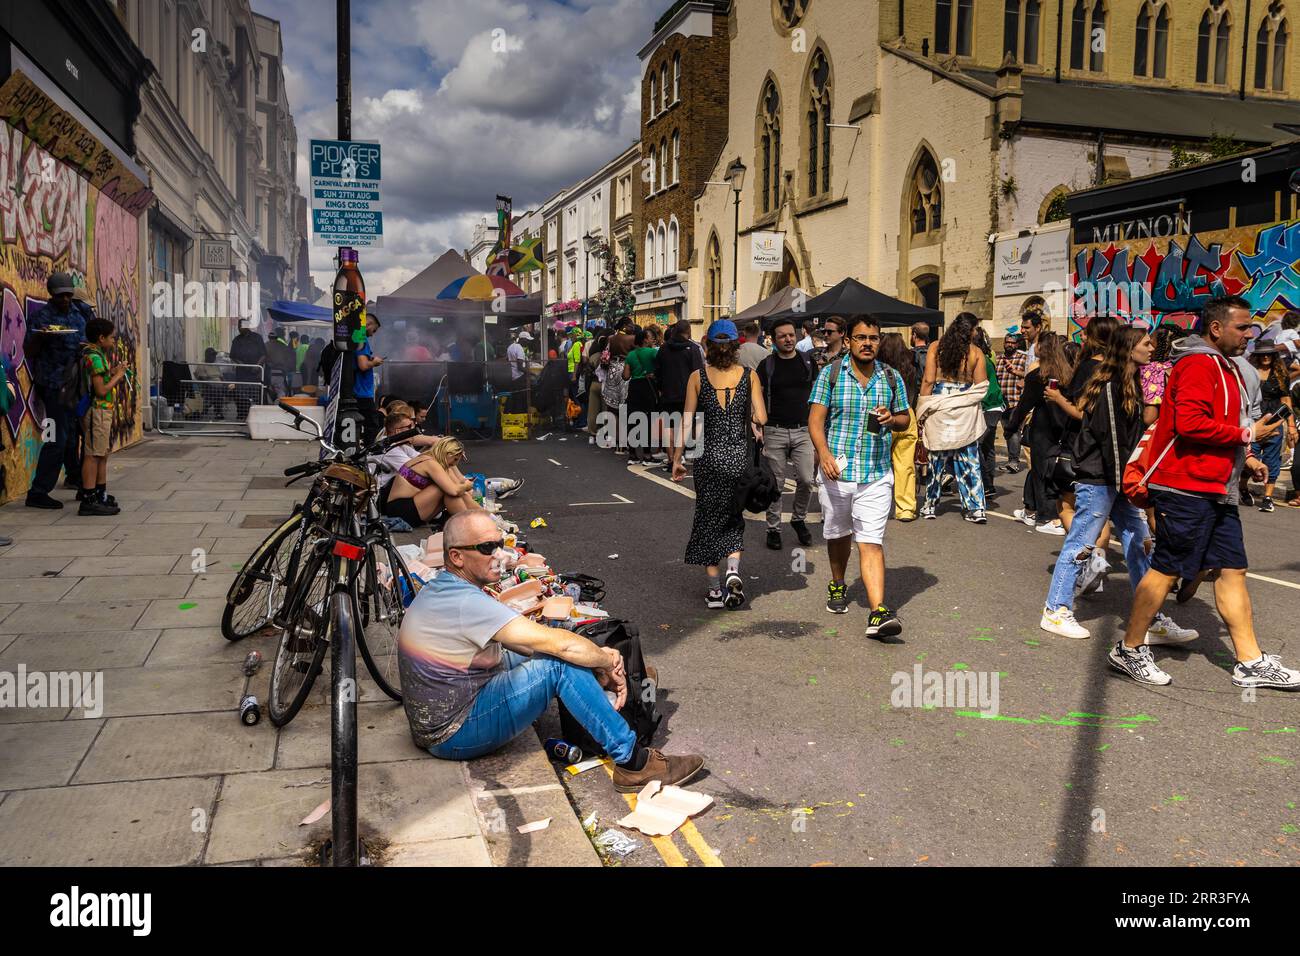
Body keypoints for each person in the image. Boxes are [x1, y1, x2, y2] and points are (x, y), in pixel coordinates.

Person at [399, 510, 705, 791]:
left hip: (446, 712)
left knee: (560, 651)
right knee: (560, 663)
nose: (499, 555)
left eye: (499, 543)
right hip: (455, 732)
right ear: (457, 556)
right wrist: (606, 660)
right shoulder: (467, 602)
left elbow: (523, 642)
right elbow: (557, 646)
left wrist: (590, 659)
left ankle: (610, 687)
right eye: (486, 548)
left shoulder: (445, 588)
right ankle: (633, 764)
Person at [1112, 296, 1296, 688]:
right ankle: (1129, 649)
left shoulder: (1226, 366)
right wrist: (1248, 435)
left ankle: (1250, 661)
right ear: (1216, 328)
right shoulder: (1198, 364)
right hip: (1185, 487)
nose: (1251, 334)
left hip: (1216, 487)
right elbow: (1191, 424)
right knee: (1166, 568)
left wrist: (1245, 456)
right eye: (1243, 327)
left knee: (1232, 569)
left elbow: (1219, 423)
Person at [1038, 326, 1193, 643]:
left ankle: (1150, 619)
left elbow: (1131, 436)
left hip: (1118, 478)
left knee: (1138, 543)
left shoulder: (1131, 382)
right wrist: (1134, 486)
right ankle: (1055, 610)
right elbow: (1112, 440)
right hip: (1101, 478)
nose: (1152, 348)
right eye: (1146, 344)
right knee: (1081, 542)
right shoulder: (1111, 386)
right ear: (1128, 348)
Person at [808, 315, 911, 635]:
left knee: (870, 541)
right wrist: (824, 455)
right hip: (837, 472)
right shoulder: (831, 374)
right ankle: (838, 583)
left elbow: (906, 418)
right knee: (838, 535)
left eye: (874, 338)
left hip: (876, 474)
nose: (868, 343)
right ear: (849, 341)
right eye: (861, 337)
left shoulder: (891, 377)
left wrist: (891, 419)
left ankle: (878, 611)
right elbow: (815, 421)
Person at [671, 319, 767, 610]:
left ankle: (714, 592)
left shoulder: (697, 377)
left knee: (707, 519)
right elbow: (761, 418)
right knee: (733, 517)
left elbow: (687, 421)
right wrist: (750, 414)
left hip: (707, 458)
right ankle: (734, 572)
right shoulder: (749, 376)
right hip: (739, 457)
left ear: (708, 346)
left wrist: (677, 458)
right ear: (736, 346)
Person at [24, 272, 88, 509]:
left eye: (69, 295)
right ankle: (39, 491)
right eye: (61, 296)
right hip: (53, 385)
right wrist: (41, 337)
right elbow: (29, 351)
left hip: (75, 384)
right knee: (57, 439)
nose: (66, 300)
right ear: (52, 294)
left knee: (76, 437)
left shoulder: (77, 316)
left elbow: (83, 343)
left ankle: (83, 483)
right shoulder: (41, 317)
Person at [918, 313, 988, 522]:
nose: (977, 332)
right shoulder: (976, 353)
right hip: (964, 408)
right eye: (976, 328)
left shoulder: (935, 348)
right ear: (970, 330)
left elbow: (929, 380)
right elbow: (981, 387)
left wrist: (922, 408)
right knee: (968, 458)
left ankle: (930, 505)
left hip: (939, 405)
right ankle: (975, 508)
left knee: (936, 458)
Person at [757, 317, 816, 550]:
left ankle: (798, 519)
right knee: (776, 484)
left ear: (798, 335)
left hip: (803, 430)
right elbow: (758, 396)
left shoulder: (808, 362)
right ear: (774, 339)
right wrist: (757, 423)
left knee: (806, 479)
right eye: (782, 336)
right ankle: (773, 528)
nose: (788, 339)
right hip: (775, 430)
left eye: (791, 334)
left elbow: (817, 394)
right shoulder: (767, 365)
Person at [1007, 332, 1072, 532]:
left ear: (1042, 348)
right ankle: (1044, 511)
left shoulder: (1038, 376)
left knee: (1041, 472)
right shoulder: (1068, 373)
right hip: (1065, 428)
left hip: (1043, 429)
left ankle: (1047, 516)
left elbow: (1024, 405)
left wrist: (1011, 428)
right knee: (1054, 471)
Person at [77, 317, 127, 517]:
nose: (114, 341)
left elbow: (101, 378)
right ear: (101, 338)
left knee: (101, 453)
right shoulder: (94, 357)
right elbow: (100, 389)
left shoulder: (96, 354)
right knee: (93, 454)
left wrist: (113, 371)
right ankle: (89, 498)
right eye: (112, 338)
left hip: (103, 411)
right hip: (97, 410)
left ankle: (100, 493)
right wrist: (119, 376)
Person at [382, 435, 482, 528]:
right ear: (447, 453)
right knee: (447, 491)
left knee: (452, 490)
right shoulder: (431, 463)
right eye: (455, 459)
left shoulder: (430, 458)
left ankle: (485, 519)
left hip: (407, 508)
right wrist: (466, 486)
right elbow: (454, 490)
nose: (454, 464)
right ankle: (470, 526)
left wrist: (464, 489)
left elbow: (459, 488)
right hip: (400, 510)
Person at [1244, 341, 1295, 512]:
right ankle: (1243, 488)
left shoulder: (1280, 374)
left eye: (1269, 353)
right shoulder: (1249, 372)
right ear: (1256, 355)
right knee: (1250, 456)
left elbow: (1286, 400)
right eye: (1262, 353)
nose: (1266, 356)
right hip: (1253, 422)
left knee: (1272, 460)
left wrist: (1292, 426)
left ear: (1274, 355)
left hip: (1275, 422)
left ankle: (1268, 497)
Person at [877, 332, 921, 522]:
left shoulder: (878, 370)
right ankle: (906, 509)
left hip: (882, 414)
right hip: (907, 415)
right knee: (905, 465)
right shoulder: (910, 368)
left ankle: (877, 506)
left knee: (877, 462)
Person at [655, 319, 703, 464]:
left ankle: (671, 458)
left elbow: (657, 371)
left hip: (668, 393)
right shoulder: (693, 349)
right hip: (688, 395)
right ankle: (688, 454)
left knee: (669, 426)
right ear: (688, 331)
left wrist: (661, 387)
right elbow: (698, 373)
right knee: (689, 424)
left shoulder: (663, 348)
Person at [973, 326, 1006, 497]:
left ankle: (986, 484)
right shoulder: (986, 357)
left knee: (976, 444)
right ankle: (989, 484)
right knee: (987, 447)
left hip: (989, 406)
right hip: (992, 406)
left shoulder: (980, 360)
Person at [623, 326, 661, 464]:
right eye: (651, 338)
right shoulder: (652, 352)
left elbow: (625, 376)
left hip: (634, 387)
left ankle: (632, 455)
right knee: (648, 420)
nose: (653, 340)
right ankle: (646, 455)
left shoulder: (631, 355)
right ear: (645, 340)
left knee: (633, 420)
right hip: (648, 387)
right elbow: (661, 366)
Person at [994, 332, 1028, 473]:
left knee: (1014, 430)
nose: (1009, 344)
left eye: (1012, 343)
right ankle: (1011, 460)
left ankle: (1014, 461)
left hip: (1017, 401)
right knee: (1007, 432)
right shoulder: (998, 359)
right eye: (1007, 342)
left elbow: (1030, 376)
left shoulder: (1024, 359)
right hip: (1002, 402)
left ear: (1017, 344)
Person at [353, 313, 385, 445]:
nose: (372, 334)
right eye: (374, 330)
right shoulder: (360, 337)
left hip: (357, 390)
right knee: (372, 425)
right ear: (368, 325)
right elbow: (363, 365)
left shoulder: (354, 335)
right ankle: (369, 453)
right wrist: (374, 362)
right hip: (362, 392)